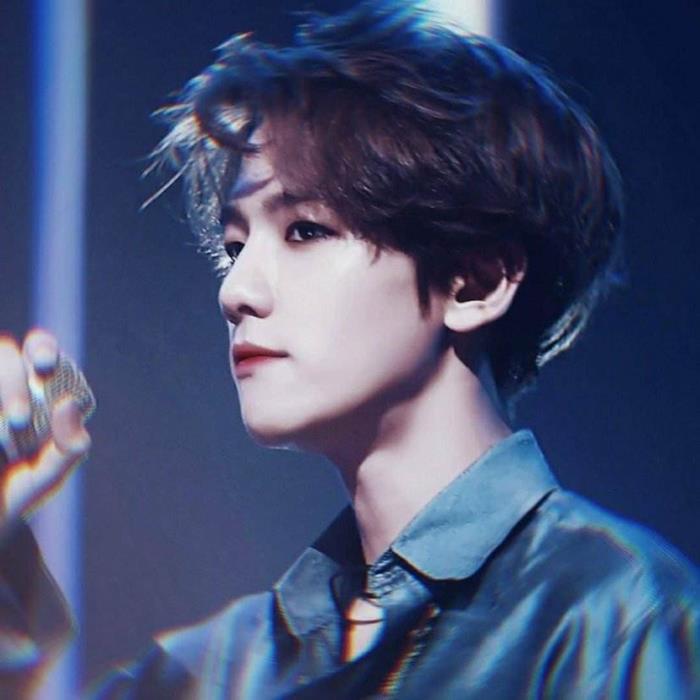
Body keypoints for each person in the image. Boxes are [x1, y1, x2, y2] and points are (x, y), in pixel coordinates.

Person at [1, 1, 698, 697]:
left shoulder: (614, 619)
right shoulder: (217, 671)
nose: (235, 291)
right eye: (235, 247)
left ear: (477, 281)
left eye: (305, 230)